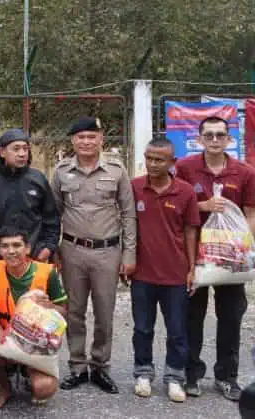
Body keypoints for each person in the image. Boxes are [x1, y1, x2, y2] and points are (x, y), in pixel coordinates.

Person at [52, 116, 137, 394]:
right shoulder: (62, 171)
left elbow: (128, 214)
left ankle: (100, 366)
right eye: (81, 137)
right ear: (73, 141)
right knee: (74, 312)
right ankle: (77, 366)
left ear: (101, 139)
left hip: (107, 252)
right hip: (72, 251)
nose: (86, 142)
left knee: (104, 312)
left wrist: (129, 254)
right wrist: (54, 251)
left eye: (92, 137)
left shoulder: (116, 171)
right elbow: (54, 214)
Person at [175, 116, 255, 401]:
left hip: (229, 258)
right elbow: (177, 207)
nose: (214, 140)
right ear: (199, 140)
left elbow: (250, 213)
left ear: (229, 140)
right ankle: (192, 374)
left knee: (231, 316)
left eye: (220, 135)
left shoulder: (244, 172)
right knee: (191, 316)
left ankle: (227, 376)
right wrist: (203, 205)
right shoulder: (185, 168)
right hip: (196, 255)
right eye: (208, 135)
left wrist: (243, 247)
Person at [130, 137, 200, 403]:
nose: (153, 164)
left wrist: (192, 268)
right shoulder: (135, 188)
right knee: (142, 329)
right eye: (149, 158)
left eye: (159, 159)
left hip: (175, 275)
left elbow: (191, 231)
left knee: (177, 330)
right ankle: (143, 372)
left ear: (173, 162)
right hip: (142, 275)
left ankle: (174, 377)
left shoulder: (185, 192)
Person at [0, 226, 68, 409]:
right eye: (5, 246)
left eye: (17, 245)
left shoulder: (47, 272)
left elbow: (64, 311)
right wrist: (8, 341)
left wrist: (49, 306)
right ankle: (5, 387)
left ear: (27, 248)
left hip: (36, 343)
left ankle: (31, 373)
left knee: (44, 389)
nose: (11, 251)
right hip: (7, 337)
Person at [0, 129, 60, 263]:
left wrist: (48, 248)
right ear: (2, 152)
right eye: (16, 149)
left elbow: (51, 219)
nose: (22, 154)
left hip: (34, 256)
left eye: (25, 149)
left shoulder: (38, 179)